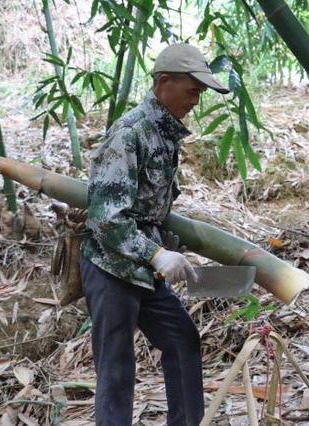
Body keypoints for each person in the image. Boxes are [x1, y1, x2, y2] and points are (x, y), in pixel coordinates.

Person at [80, 43, 229, 426]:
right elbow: (105, 217)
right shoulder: (130, 134)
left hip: (144, 268)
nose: (197, 101)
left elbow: (149, 208)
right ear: (164, 82)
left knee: (182, 341)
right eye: (193, 90)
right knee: (116, 369)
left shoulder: (164, 134)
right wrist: (156, 255)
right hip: (112, 266)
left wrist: (168, 250)